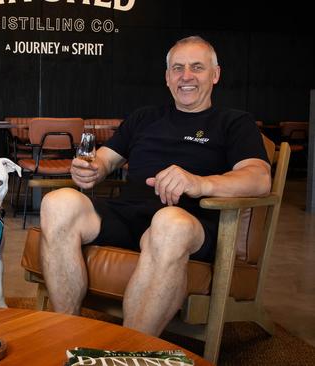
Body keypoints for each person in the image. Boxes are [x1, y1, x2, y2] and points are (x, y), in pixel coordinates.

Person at [38, 36, 271, 336]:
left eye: (197, 67)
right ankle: (65, 334)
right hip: (128, 215)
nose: (186, 76)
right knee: (57, 202)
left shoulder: (235, 122)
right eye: (178, 68)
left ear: (215, 74)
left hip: (189, 224)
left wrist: (199, 183)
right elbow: (104, 161)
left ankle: (130, 351)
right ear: (167, 77)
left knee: (168, 222)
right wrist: (89, 170)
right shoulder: (145, 117)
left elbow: (259, 177)